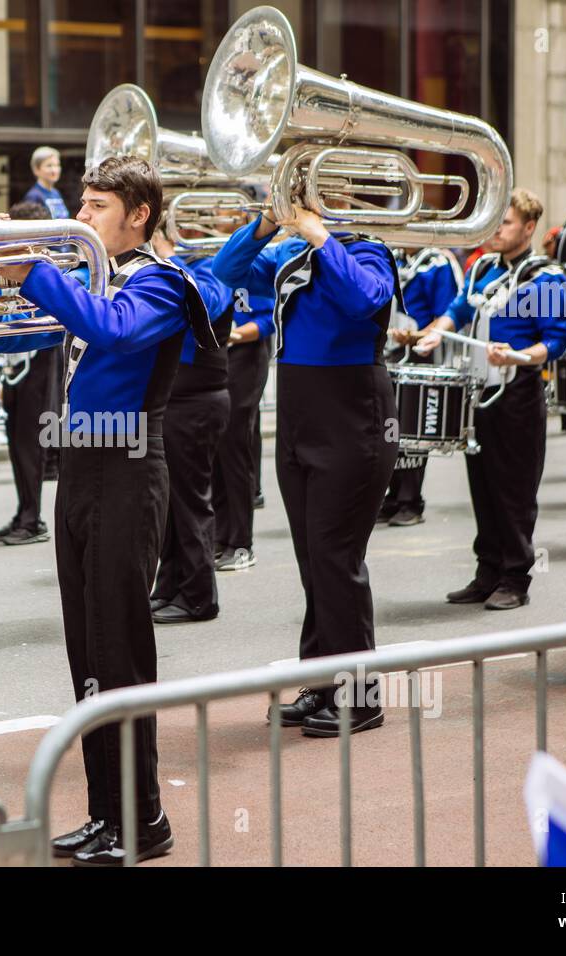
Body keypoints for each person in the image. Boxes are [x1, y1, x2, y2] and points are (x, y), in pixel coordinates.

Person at [0, 155, 218, 865]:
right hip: (83, 469)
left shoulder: (162, 284)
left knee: (121, 652)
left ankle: (143, 821)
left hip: (128, 470)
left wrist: (33, 270)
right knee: (87, 650)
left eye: (93, 206)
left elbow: (114, 331)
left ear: (138, 215)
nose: (79, 216)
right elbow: (40, 331)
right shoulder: (99, 276)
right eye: (82, 204)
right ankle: (104, 813)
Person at [213, 183, 400, 739]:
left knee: (338, 558)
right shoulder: (285, 255)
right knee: (313, 559)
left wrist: (321, 236)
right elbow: (226, 270)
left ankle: (361, 696)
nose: (304, 203)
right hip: (298, 412)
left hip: (353, 411)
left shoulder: (368, 249)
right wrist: (269, 223)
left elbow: (365, 299)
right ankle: (323, 681)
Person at [411, 188, 566, 612]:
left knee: (514, 489)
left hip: (518, 389)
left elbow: (555, 342)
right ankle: (487, 571)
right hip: (479, 388)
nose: (495, 230)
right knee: (482, 485)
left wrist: (518, 356)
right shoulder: (483, 266)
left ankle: (515, 578)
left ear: (529, 227)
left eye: (504, 223)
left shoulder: (546, 277)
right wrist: (433, 331)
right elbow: (458, 309)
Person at [149, 228, 234, 624]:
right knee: (170, 505)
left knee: (191, 502)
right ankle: (170, 585)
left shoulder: (211, 268)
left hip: (198, 401)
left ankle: (200, 596)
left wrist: (169, 257)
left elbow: (209, 303)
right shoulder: (174, 270)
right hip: (174, 400)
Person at [0, 201, 60, 546]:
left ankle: (33, 520)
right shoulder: (15, 268)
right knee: (15, 438)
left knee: (31, 442)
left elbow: (41, 321)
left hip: (41, 360)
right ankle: (23, 512)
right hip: (15, 363)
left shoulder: (50, 267)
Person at [378, 246, 461, 527]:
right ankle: (392, 496)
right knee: (388, 429)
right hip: (390, 353)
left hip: (422, 354)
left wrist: (416, 336)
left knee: (411, 430)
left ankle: (410, 501)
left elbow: (446, 314)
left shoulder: (437, 263)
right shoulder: (396, 258)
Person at [212, 281, 275, 572]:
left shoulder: (249, 268)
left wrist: (232, 335)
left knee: (235, 447)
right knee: (213, 452)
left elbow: (266, 320)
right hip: (214, 357)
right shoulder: (202, 263)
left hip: (244, 357)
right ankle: (219, 536)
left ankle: (241, 543)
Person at [21, 146, 69, 219]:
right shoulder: (33, 196)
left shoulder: (56, 193)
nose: (54, 170)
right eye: (49, 166)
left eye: (57, 165)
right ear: (36, 169)